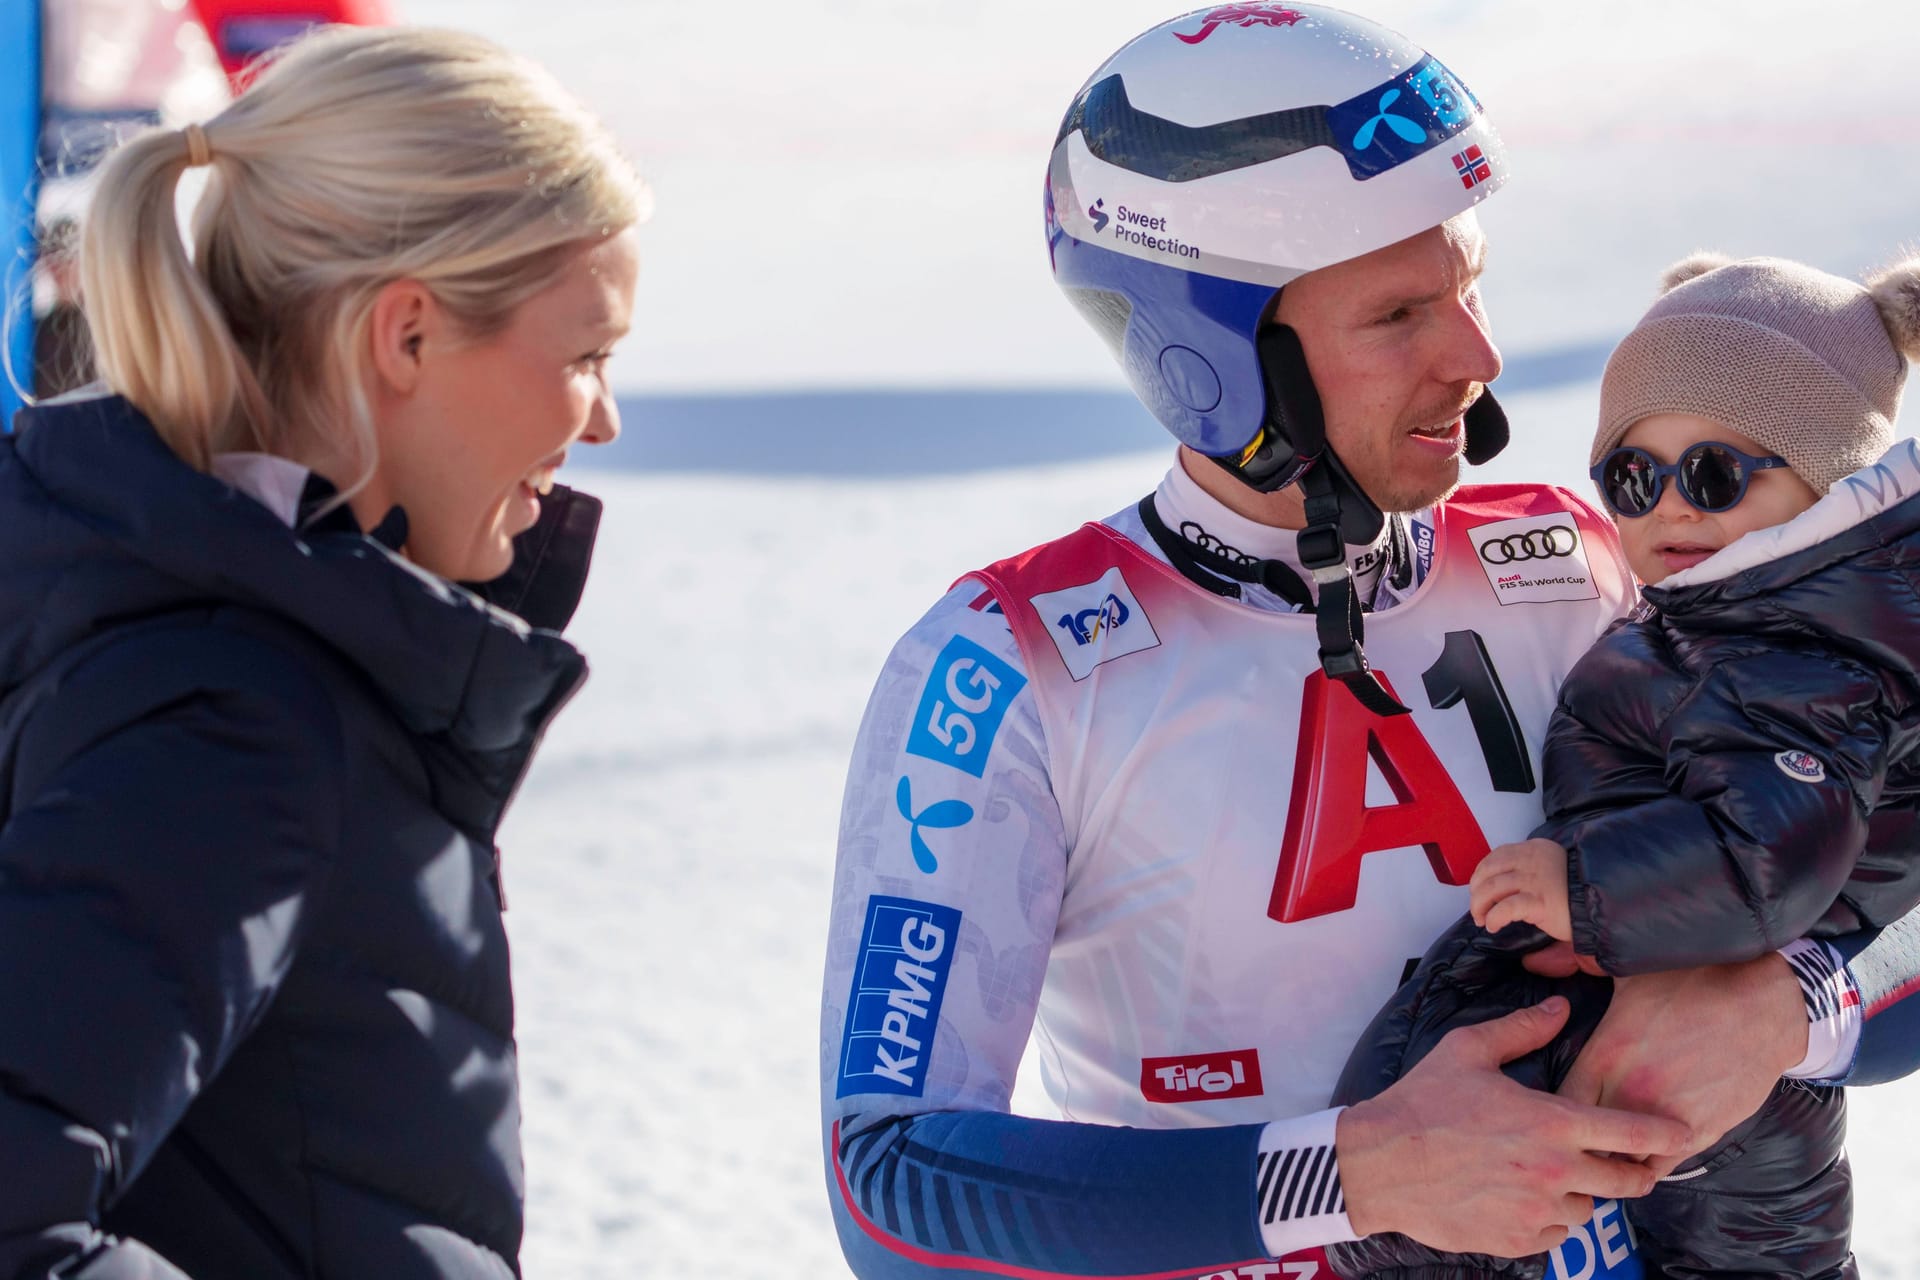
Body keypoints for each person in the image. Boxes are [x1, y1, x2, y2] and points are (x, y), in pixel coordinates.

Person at [818, 7, 1920, 1278]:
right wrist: (1352, 1173)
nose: (1481, 354)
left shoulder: (1586, 561)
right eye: (1400, 313)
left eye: (1470, 280)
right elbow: (889, 1179)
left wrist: (1793, 1007)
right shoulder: (1013, 665)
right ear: (1212, 359)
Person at [0, 25, 645, 1279]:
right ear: (405, 335)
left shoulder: (248, 630)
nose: (605, 418)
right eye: (584, 355)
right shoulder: (232, 720)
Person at [1332, 250, 1920, 1280]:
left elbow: (1777, 850)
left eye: (1714, 474)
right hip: (1676, 1008)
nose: (1670, 511)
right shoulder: (1733, 615)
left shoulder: (1801, 646)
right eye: (1633, 478)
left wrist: (1589, 889)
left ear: (1830, 479)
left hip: (1729, 1057)